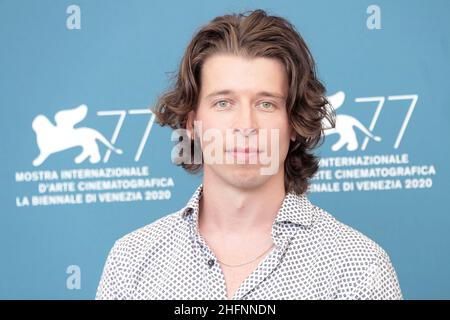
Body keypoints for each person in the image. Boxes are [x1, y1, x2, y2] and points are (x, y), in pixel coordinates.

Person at [96, 9, 402, 300]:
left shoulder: (360, 269)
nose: (245, 126)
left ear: (293, 123)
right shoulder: (131, 261)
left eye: (265, 104)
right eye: (223, 103)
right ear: (192, 123)